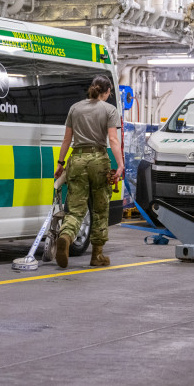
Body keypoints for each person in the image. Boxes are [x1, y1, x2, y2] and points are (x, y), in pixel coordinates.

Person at [53, 75, 124, 269]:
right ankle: (97, 256)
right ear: (107, 92)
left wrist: (60, 163)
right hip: (98, 160)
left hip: (77, 159)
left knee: (75, 209)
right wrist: (120, 165)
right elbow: (113, 140)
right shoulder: (110, 110)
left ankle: (66, 237)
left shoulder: (75, 108)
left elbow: (67, 139)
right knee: (100, 209)